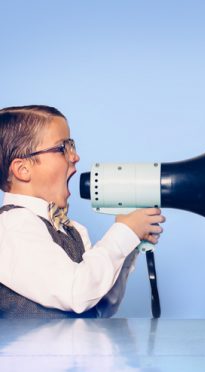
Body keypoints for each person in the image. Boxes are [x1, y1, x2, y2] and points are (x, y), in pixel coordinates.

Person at [0, 105, 165, 318]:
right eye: (62, 148)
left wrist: (130, 244)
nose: (75, 156)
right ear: (23, 169)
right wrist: (123, 233)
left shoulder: (73, 230)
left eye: (72, 145)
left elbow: (99, 305)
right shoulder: (11, 226)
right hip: (36, 352)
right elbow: (76, 293)